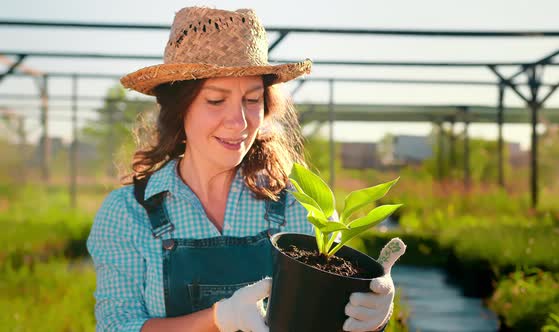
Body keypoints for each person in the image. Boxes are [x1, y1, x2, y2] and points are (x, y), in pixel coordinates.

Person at [87, 6, 396, 332]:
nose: (239, 122)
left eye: (251, 100)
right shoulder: (129, 212)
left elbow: (332, 314)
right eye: (216, 101)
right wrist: (218, 319)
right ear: (179, 109)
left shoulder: (297, 203)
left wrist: (375, 314)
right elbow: (117, 325)